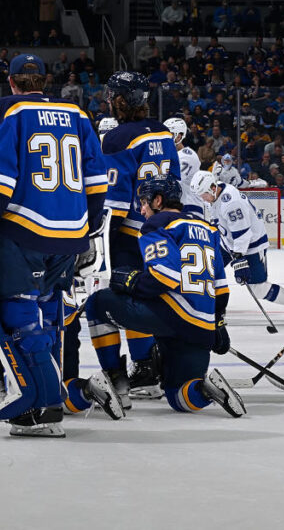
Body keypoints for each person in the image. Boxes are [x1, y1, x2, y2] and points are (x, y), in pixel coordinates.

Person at [0, 53, 110, 438]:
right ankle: (51, 393)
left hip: (25, 230)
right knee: (50, 311)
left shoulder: (8, 110)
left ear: (11, 82)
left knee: (18, 313)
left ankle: (43, 404)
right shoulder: (77, 115)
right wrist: (87, 231)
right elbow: (96, 180)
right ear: (46, 80)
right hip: (71, 234)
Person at [86, 176, 245, 417]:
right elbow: (221, 288)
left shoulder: (157, 224)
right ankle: (206, 389)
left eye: (144, 203)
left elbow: (164, 278)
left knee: (97, 304)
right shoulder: (208, 228)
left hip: (171, 315)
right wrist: (218, 323)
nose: (141, 209)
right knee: (180, 395)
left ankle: (116, 384)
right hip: (201, 325)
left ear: (158, 200)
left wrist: (130, 282)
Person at [99, 71, 182, 400]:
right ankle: (154, 364)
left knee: (118, 299)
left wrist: (100, 242)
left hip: (131, 235)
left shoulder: (118, 138)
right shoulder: (162, 132)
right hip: (163, 228)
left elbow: (115, 203)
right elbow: (174, 185)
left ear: (120, 100)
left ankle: (135, 368)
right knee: (151, 296)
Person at [192, 169, 284, 313]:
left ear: (213, 188)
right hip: (229, 243)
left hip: (251, 246)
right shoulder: (216, 190)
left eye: (203, 195)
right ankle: (214, 309)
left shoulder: (231, 203)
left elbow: (243, 234)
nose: (203, 199)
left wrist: (239, 258)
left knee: (258, 288)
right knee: (208, 271)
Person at [163, 117, 203, 217]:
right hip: (175, 207)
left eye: (169, 135)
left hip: (190, 208)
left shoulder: (187, 155)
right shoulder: (167, 155)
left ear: (179, 136)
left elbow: (173, 181)